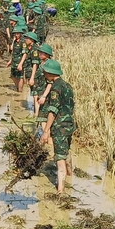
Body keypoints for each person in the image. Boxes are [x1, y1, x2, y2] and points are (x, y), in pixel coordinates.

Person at [39, 59, 75, 193]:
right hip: (69, 123)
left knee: (59, 158)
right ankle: (70, 175)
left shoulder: (55, 88)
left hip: (59, 126)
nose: (44, 75)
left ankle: (61, 190)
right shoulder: (67, 86)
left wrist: (46, 130)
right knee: (66, 151)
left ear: (50, 73)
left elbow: (52, 111)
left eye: (45, 73)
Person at [17, 32, 40, 99]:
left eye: (27, 38)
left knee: (35, 93)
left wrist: (32, 78)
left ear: (32, 40)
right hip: (29, 72)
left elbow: (35, 64)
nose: (25, 40)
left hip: (35, 74)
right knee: (33, 92)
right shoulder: (28, 48)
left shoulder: (35, 49)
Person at [34, 43, 53, 120]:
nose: (39, 54)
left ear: (47, 54)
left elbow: (50, 83)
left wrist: (44, 96)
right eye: (39, 52)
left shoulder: (49, 65)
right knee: (40, 118)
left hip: (46, 95)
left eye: (42, 52)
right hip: (40, 91)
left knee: (43, 119)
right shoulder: (42, 63)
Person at [6, 26, 26, 92]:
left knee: (20, 77)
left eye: (17, 33)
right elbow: (12, 50)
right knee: (12, 76)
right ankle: (18, 88)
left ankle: (20, 91)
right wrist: (10, 61)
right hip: (14, 61)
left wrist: (20, 64)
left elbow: (25, 54)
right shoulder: (15, 41)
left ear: (20, 34)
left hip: (20, 62)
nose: (16, 35)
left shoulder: (23, 42)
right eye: (15, 34)